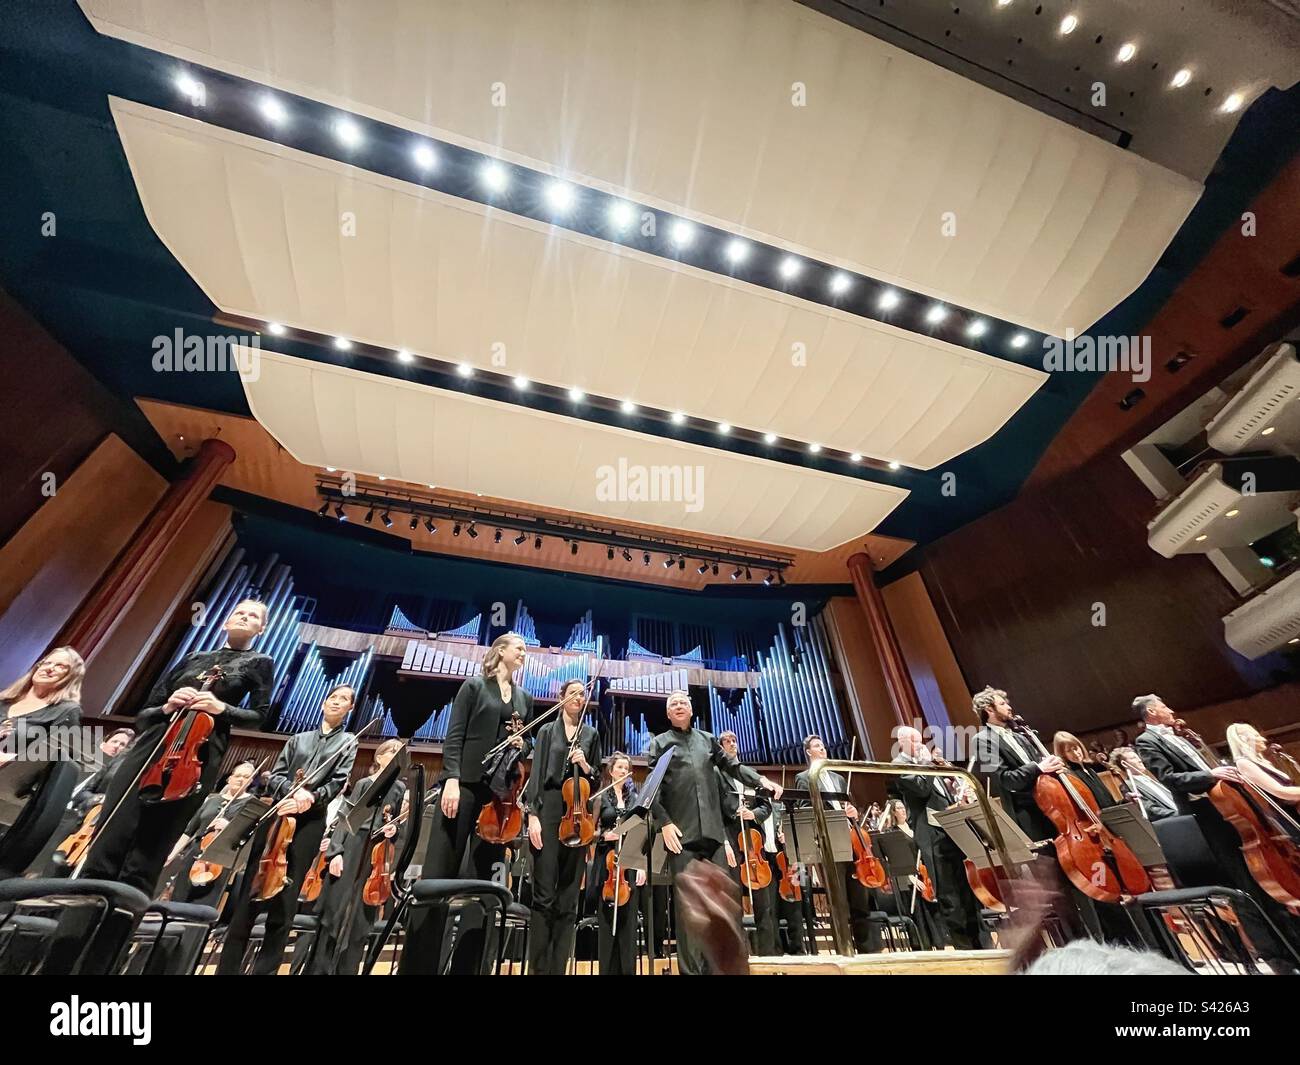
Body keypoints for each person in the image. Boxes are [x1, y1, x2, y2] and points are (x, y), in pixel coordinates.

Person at [80, 600, 274, 892]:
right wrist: (168, 707)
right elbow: (145, 715)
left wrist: (221, 708)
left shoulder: (260, 662)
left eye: (253, 616)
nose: (245, 617)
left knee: (149, 850)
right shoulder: (194, 656)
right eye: (239, 612)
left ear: (262, 628)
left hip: (199, 753)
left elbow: (260, 717)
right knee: (110, 836)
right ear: (225, 621)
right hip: (151, 747)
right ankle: (78, 914)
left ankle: (118, 921)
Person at [1133, 695, 1300, 971]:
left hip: (1232, 811)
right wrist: (1211, 775)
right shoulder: (1147, 742)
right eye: (1164, 705)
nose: (1170, 708)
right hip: (1209, 818)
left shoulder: (1182, 735)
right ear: (1151, 712)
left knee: (1268, 881)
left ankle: (1294, 946)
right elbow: (1169, 779)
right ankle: (1277, 959)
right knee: (1246, 888)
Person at [400, 632, 533, 974]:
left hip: (499, 797)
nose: (523, 652)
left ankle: (468, 967)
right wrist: (452, 780)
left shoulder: (523, 698)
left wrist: (522, 744)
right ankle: (419, 965)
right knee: (439, 874)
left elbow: (527, 744)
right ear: (500, 650)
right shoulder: (474, 686)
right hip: (465, 787)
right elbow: (455, 735)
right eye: (519, 647)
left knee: (483, 885)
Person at [216, 683, 357, 974]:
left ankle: (264, 970)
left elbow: (337, 782)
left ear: (350, 709)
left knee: (285, 900)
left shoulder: (348, 743)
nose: (337, 702)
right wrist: (291, 793)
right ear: (323, 703)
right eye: (333, 697)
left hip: (310, 822)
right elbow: (276, 775)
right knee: (250, 894)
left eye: (344, 700)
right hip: (278, 814)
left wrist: (311, 798)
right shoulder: (298, 739)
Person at [643, 688, 782, 975]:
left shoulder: (707, 740)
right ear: (668, 713)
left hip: (715, 836)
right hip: (682, 837)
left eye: (683, 702)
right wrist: (665, 823)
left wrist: (761, 780)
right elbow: (652, 792)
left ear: (691, 710)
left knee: (724, 907)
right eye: (673, 704)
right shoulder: (660, 744)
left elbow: (733, 766)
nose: (679, 705)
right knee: (688, 913)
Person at [522, 678, 600, 974]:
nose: (579, 698)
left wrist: (587, 765)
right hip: (550, 809)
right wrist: (533, 815)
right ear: (561, 698)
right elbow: (538, 774)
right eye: (573, 694)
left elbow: (596, 780)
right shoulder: (546, 731)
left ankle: (558, 968)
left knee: (569, 898)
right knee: (543, 895)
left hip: (579, 813)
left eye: (582, 694)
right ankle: (539, 969)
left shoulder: (590, 734)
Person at [312, 739, 407, 974]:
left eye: (399, 752)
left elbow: (395, 823)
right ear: (379, 756)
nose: (395, 755)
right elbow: (344, 820)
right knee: (336, 911)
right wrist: (336, 853)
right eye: (391, 751)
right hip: (354, 845)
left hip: (376, 852)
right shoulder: (365, 783)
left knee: (362, 918)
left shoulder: (399, 789)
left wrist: (393, 831)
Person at [893, 726, 983, 950]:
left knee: (967, 887)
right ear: (902, 742)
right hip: (931, 834)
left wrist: (952, 781)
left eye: (920, 740)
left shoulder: (930, 765)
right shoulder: (898, 765)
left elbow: (944, 793)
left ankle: (982, 941)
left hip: (953, 829)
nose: (921, 745)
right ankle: (965, 948)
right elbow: (922, 790)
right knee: (949, 893)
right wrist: (927, 764)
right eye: (914, 741)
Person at [0, 648, 86, 877]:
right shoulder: (5, 700)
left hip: (10, 793)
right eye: (47, 662)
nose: (49, 668)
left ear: (70, 677)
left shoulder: (66, 711)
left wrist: (12, 758)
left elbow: (65, 756)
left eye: (61, 667)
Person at [794, 733, 880, 954]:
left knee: (860, 898)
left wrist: (851, 811)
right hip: (828, 843)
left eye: (823, 745)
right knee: (839, 901)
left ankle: (867, 949)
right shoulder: (804, 778)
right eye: (817, 746)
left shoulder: (839, 778)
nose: (823, 749)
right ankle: (845, 948)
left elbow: (847, 806)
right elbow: (805, 808)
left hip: (851, 842)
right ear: (808, 753)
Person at [717, 730, 776, 956]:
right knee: (733, 903)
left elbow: (766, 805)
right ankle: (739, 956)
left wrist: (754, 814)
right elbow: (715, 809)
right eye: (727, 742)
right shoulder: (718, 773)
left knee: (764, 904)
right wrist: (724, 841)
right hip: (732, 839)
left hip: (754, 841)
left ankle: (768, 955)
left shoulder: (751, 774)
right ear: (721, 748)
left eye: (734, 741)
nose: (732, 744)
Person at [593, 751, 644, 975]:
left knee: (629, 920)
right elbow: (590, 831)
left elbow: (641, 831)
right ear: (611, 771)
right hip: (606, 863)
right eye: (620, 767)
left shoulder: (635, 797)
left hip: (630, 862)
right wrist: (605, 836)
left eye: (626, 768)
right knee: (607, 919)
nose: (624, 771)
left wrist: (642, 865)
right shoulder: (600, 798)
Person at [1225, 722, 1300, 823]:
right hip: (1293, 816)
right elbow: (1280, 792)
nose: (1263, 739)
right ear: (1243, 739)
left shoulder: (1263, 762)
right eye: (1256, 736)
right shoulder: (1243, 763)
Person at [1108, 747, 1177, 822]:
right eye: (1133, 758)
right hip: (1171, 821)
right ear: (1124, 764)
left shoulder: (1150, 779)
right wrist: (1177, 814)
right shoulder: (1127, 785)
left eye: (1138, 757)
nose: (1140, 760)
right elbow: (1149, 809)